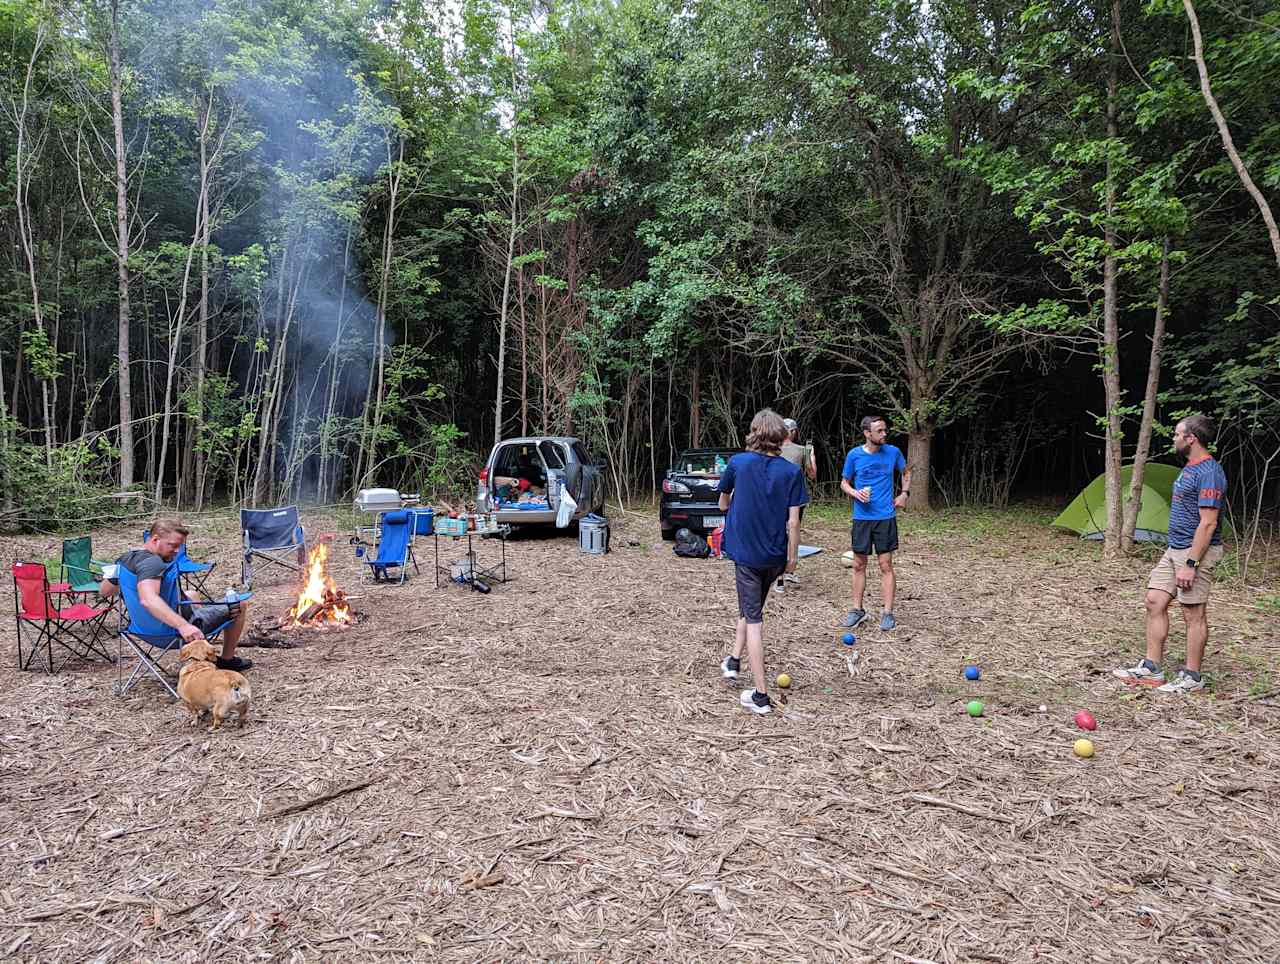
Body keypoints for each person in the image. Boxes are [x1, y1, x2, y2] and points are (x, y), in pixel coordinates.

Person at [1113, 414, 1228, 694]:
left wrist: (1191, 563)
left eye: (1178, 434)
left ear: (1192, 438)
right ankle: (1152, 669)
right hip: (1175, 547)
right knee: (1154, 600)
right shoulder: (1189, 467)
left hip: (1195, 551)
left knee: (1193, 613)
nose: (1174, 438)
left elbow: (1208, 522)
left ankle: (1193, 677)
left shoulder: (1210, 472)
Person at [717, 409, 808, 715]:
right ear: (782, 436)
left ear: (755, 432)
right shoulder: (791, 471)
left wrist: (732, 507)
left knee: (754, 620)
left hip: (746, 554)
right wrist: (792, 559)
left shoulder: (738, 463)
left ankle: (760, 695)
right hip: (775, 557)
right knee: (751, 606)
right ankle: (732, 659)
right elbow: (794, 523)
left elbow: (722, 501)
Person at [99, 519, 253, 671]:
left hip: (141, 630)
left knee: (191, 594)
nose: (177, 551)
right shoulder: (153, 563)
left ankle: (199, 653)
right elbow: (148, 599)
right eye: (173, 545)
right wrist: (184, 626)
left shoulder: (126, 559)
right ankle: (227, 659)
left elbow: (105, 591)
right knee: (240, 604)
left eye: (179, 546)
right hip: (172, 634)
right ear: (155, 539)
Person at [840, 415, 911, 631]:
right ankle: (857, 610)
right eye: (879, 431)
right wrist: (854, 493)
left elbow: (906, 472)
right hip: (862, 518)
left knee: (885, 565)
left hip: (885, 517)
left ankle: (888, 613)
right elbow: (844, 482)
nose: (884, 434)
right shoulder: (854, 455)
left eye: (884, 430)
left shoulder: (893, 452)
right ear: (867, 433)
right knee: (859, 565)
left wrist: (904, 494)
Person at [775, 417, 818, 594]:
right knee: (792, 532)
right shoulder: (803, 450)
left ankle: (780, 574)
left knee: (778, 534)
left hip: (774, 498)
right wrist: (811, 455)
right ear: (793, 432)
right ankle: (787, 572)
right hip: (795, 498)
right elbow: (812, 474)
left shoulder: (771, 449)